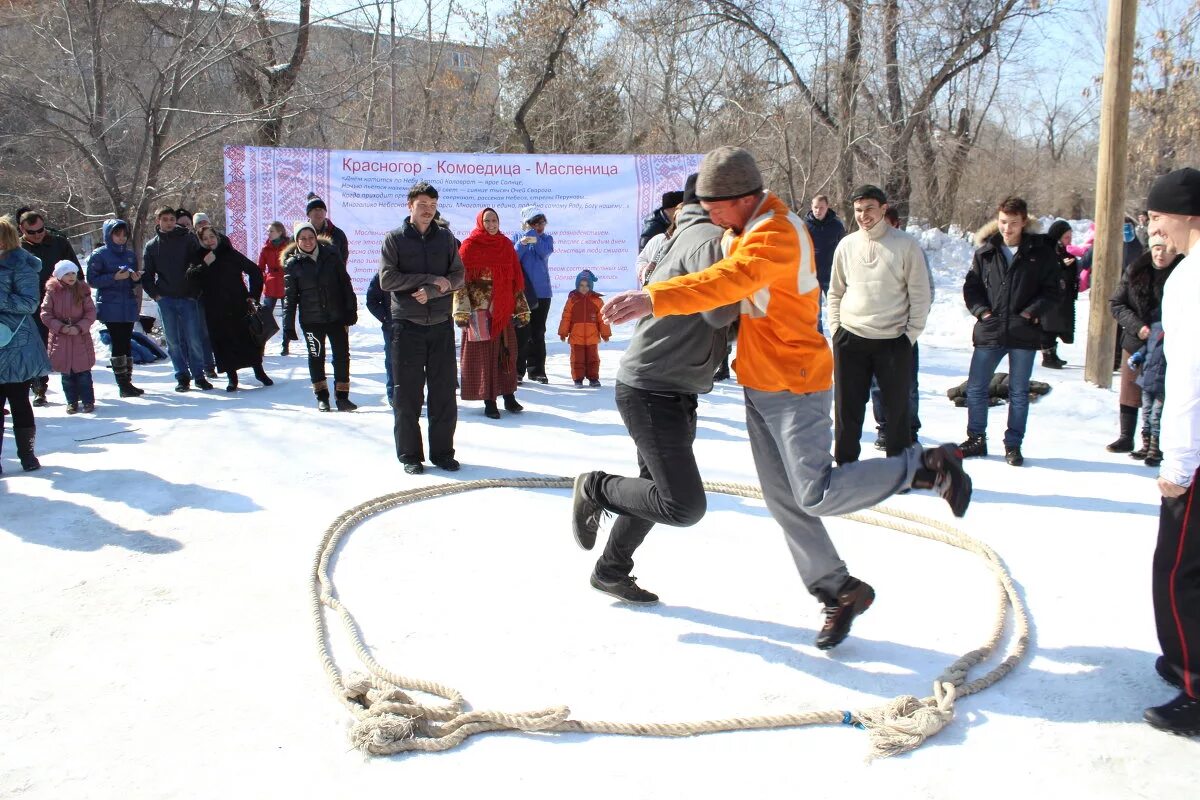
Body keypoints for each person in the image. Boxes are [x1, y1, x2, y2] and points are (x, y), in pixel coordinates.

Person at [594, 146, 972, 649]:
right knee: (785, 500)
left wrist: (654, 297)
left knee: (817, 492)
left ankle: (927, 467)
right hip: (760, 381)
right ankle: (838, 590)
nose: (708, 214)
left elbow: (728, 282)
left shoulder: (774, 234)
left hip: (795, 382)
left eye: (714, 205)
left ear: (744, 197)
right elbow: (724, 298)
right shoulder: (739, 228)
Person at [575, 172, 739, 602]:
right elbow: (721, 312)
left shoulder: (685, 235)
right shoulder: (707, 240)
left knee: (653, 489)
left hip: (667, 383)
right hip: (655, 388)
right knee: (682, 504)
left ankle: (611, 569)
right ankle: (596, 487)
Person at [1142, 166, 1200, 737]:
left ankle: (1195, 679)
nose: (1154, 224)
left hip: (1198, 449)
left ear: (1186, 215)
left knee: (1179, 571)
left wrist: (1178, 463)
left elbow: (1190, 378)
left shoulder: (1190, 279)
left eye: (1158, 214)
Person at [826, 184, 931, 463]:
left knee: (897, 411)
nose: (863, 215)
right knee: (847, 410)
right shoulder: (846, 245)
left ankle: (897, 469)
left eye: (869, 208)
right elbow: (834, 291)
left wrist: (909, 336)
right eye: (858, 210)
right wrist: (836, 329)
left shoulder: (905, 245)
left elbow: (920, 295)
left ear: (883, 209)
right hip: (850, 338)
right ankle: (846, 467)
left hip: (893, 340)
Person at [959, 196, 1060, 466]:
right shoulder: (986, 252)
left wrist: (1030, 313)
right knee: (977, 387)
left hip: (1022, 332)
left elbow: (1052, 290)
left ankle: (1013, 444)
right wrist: (983, 312)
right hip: (990, 330)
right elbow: (972, 288)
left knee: (1018, 392)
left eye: (1013, 223)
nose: (1007, 229)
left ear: (1023, 222)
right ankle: (976, 438)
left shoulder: (1040, 252)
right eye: (1003, 222)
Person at [379, 181, 465, 474]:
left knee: (443, 393)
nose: (428, 210)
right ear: (410, 206)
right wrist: (427, 279)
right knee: (407, 395)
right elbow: (387, 280)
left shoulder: (446, 238)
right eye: (422, 205)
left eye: (432, 205)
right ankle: (410, 456)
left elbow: (458, 276)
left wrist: (436, 290)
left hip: (441, 325)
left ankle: (443, 453)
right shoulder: (394, 239)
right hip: (407, 326)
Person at [454, 208, 531, 419]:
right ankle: (490, 401)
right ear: (480, 222)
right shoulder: (469, 247)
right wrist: (461, 311)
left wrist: (521, 308)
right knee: (485, 358)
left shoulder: (506, 245)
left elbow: (515, 281)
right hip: (479, 312)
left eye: (494, 220)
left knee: (506, 354)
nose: (491, 224)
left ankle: (509, 395)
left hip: (503, 309)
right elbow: (460, 284)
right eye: (487, 221)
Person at [1108, 235, 1181, 454]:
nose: (1160, 254)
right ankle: (1126, 436)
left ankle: (1157, 442)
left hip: (1170, 342)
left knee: (1160, 393)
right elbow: (1117, 304)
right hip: (1135, 339)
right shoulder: (1135, 269)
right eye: (1157, 248)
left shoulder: (1183, 272)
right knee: (1130, 388)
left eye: (1166, 249)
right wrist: (1137, 326)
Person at [869, 205, 929, 449]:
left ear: (896, 225)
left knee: (908, 384)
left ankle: (910, 428)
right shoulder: (863, 248)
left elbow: (926, 291)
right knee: (877, 385)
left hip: (902, 332)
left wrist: (912, 326)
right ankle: (884, 427)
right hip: (872, 331)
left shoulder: (911, 249)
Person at [283, 222, 357, 411]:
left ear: (316, 237)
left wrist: (351, 310)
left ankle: (342, 397)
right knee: (316, 356)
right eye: (303, 238)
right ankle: (321, 396)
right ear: (297, 241)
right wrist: (288, 326)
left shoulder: (331, 256)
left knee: (341, 356)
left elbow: (345, 285)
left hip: (336, 317)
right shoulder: (293, 264)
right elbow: (290, 298)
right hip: (311, 320)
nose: (308, 242)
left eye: (311, 237)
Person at [188, 226, 272, 392]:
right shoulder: (199, 257)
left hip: (238, 304)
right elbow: (190, 279)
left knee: (248, 340)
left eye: (212, 237)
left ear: (217, 237)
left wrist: (252, 295)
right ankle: (232, 378)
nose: (209, 241)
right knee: (223, 342)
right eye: (205, 239)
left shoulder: (229, 253)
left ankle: (259, 372)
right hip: (215, 308)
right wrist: (204, 264)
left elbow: (254, 271)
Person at [0, 217, 51, 472]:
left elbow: (29, 303)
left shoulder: (21, 264)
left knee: (19, 399)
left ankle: (27, 455)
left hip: (16, 343)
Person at [143, 206, 212, 392]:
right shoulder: (152, 246)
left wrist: (194, 291)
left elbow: (200, 264)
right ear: (158, 221)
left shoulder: (188, 239)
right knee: (173, 341)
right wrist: (156, 295)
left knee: (194, 339)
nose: (168, 223)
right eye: (164, 219)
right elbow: (147, 275)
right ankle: (182, 376)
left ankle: (199, 375)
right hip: (166, 299)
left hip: (188, 297)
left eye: (171, 219)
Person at [19, 210, 79, 406]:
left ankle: (76, 391)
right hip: (31, 305)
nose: (37, 235)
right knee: (36, 347)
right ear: (22, 229)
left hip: (61, 303)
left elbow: (77, 273)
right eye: (32, 232)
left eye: (41, 230)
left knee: (67, 347)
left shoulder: (59, 243)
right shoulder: (17, 249)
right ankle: (38, 388)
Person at [86, 219, 145, 397]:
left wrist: (136, 279)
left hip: (127, 303)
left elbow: (133, 278)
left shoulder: (129, 255)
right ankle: (123, 384)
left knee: (126, 342)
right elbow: (92, 280)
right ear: (108, 235)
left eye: (124, 235)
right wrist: (114, 277)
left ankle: (128, 381)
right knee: (118, 342)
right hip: (110, 305)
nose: (121, 238)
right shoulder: (99, 255)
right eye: (117, 234)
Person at [39, 261, 97, 414]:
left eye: (73, 273)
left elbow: (90, 312)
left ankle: (88, 401)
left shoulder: (83, 291)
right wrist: (60, 327)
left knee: (84, 373)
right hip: (60, 339)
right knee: (67, 376)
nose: (71, 276)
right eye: (66, 274)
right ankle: (71, 401)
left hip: (80, 338)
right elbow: (45, 314)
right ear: (59, 276)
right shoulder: (52, 292)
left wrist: (79, 327)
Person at [512, 207, 554, 384]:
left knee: (538, 332)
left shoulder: (546, 238)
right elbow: (513, 257)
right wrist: (522, 242)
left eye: (541, 222)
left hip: (543, 292)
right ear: (526, 224)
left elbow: (544, 252)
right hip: (523, 292)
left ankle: (537, 371)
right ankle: (517, 371)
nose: (539, 226)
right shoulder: (516, 237)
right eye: (534, 223)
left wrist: (535, 239)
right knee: (521, 331)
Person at [558, 270, 610, 387]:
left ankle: (593, 378)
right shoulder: (572, 300)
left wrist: (605, 334)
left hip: (592, 336)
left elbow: (603, 319)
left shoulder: (597, 301)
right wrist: (563, 332)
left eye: (587, 285)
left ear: (591, 286)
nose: (584, 288)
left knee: (593, 359)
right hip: (576, 336)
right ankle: (578, 379)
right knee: (577, 359)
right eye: (581, 285)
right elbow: (566, 317)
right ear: (577, 285)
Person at [1039, 220, 1080, 369]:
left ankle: (1053, 354)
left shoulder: (1064, 252)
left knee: (1058, 326)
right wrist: (1061, 265)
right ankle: (1048, 356)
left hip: (1063, 297)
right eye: (1066, 237)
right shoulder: (1047, 251)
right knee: (1049, 326)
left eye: (1070, 237)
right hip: (1050, 297)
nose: (1069, 241)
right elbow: (1046, 271)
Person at [803, 194, 846, 331]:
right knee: (814, 314)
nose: (818, 211)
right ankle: (818, 340)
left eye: (821, 207)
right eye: (815, 207)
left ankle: (840, 335)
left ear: (827, 207)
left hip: (832, 275)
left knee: (838, 310)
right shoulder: (804, 226)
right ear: (811, 207)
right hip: (811, 276)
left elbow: (844, 250)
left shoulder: (837, 226)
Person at [1127, 322, 1166, 467]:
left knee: (1156, 416)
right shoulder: (1156, 327)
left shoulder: (1178, 331)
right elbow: (1147, 347)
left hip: (1163, 383)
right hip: (1147, 379)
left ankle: (1155, 450)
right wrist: (1138, 356)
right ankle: (1146, 446)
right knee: (1146, 413)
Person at [257, 221, 290, 355]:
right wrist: (265, 278)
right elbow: (260, 267)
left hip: (285, 284)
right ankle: (262, 345)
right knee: (265, 316)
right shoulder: (266, 248)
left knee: (286, 316)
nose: (269, 234)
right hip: (271, 285)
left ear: (280, 232)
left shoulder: (287, 246)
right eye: (268, 231)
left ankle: (285, 345)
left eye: (271, 231)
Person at [365, 273, 395, 406]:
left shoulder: (413, 270)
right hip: (392, 326)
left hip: (415, 325)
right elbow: (371, 300)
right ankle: (393, 393)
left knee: (415, 362)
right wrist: (385, 317)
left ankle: (415, 393)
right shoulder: (382, 275)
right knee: (392, 360)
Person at [306, 193, 350, 265]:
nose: (319, 213)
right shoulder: (300, 235)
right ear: (308, 214)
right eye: (315, 210)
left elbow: (343, 258)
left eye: (321, 209)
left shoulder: (338, 234)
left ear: (325, 212)